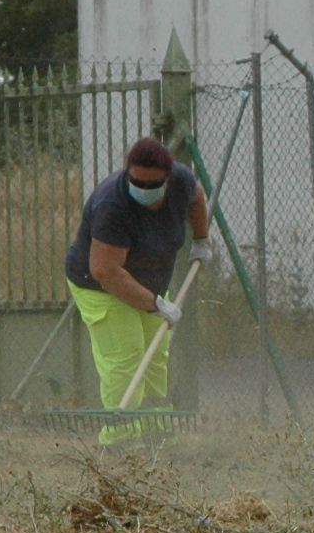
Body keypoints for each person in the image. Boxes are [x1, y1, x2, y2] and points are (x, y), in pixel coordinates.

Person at [66, 136, 210, 443]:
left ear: (168, 179)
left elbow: (197, 198)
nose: (143, 190)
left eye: (151, 184)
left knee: (156, 353)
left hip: (149, 282)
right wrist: (157, 305)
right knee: (126, 356)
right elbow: (105, 270)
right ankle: (121, 440)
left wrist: (201, 240)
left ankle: (156, 431)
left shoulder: (182, 181)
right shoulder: (112, 205)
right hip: (101, 286)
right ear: (127, 173)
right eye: (136, 182)